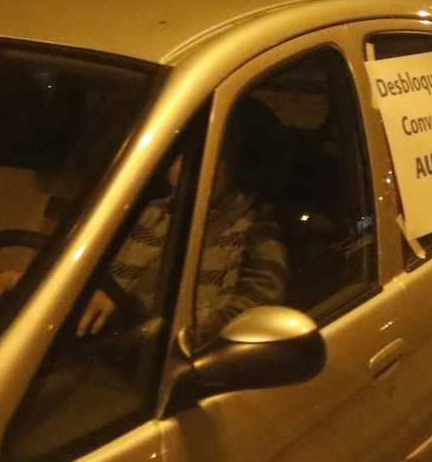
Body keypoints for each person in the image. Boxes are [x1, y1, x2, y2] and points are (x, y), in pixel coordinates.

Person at [76, 98, 287, 341]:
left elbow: (243, 325)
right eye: (182, 157)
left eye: (214, 158)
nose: (192, 169)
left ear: (239, 165)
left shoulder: (256, 233)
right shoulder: (148, 214)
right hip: (102, 355)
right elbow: (100, 281)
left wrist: (130, 316)